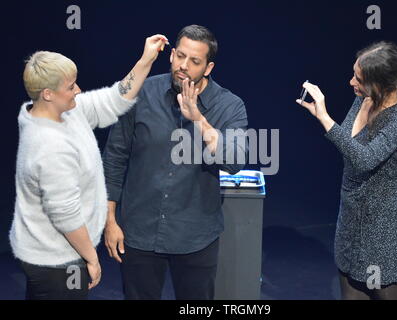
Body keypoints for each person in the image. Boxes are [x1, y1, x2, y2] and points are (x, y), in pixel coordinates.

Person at [9, 34, 169, 300]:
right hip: (55, 260)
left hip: (58, 252)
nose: (79, 90)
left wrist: (145, 60)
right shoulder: (48, 146)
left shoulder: (63, 111)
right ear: (48, 94)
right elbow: (66, 215)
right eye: (70, 86)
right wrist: (91, 258)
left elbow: (113, 99)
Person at [102, 25, 248, 300]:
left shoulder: (229, 105)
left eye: (194, 61)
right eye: (180, 56)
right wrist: (109, 220)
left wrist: (199, 120)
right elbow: (114, 157)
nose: (184, 66)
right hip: (139, 230)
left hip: (195, 235)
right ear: (171, 55)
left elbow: (235, 161)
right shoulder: (142, 93)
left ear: (208, 67)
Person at [296, 41, 397, 300]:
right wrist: (325, 119)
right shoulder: (364, 100)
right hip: (351, 216)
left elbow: (365, 159)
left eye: (358, 78)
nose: (351, 82)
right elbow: (348, 144)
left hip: (385, 225)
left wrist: (324, 117)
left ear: (381, 83)